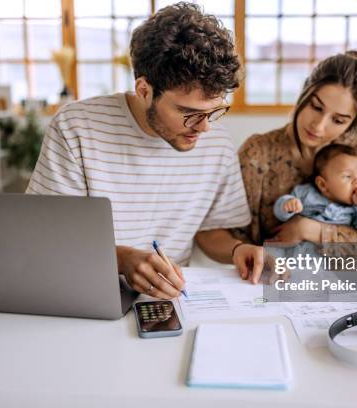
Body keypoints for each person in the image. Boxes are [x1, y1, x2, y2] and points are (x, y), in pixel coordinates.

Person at [26, 3, 264, 299]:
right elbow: (46, 237)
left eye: (214, 111)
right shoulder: (77, 127)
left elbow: (210, 230)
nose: (204, 128)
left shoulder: (216, 143)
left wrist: (237, 249)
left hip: (170, 301)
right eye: (189, 113)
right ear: (144, 91)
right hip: (86, 293)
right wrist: (122, 260)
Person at [231, 50, 357, 278]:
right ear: (304, 92)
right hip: (273, 280)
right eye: (316, 107)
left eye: (338, 120)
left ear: (354, 123)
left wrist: (310, 230)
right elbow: (231, 236)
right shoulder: (257, 152)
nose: (318, 126)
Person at [273, 143, 357, 237]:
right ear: (323, 185)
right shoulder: (305, 193)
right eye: (347, 176)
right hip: (292, 253)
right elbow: (279, 214)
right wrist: (287, 205)